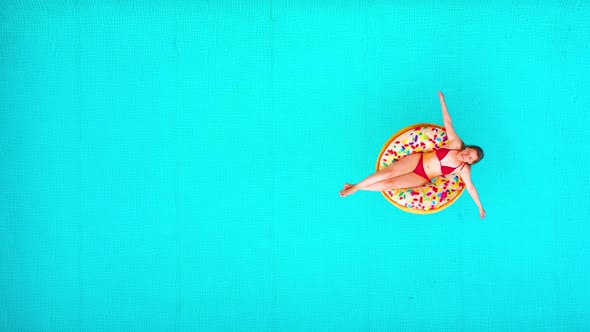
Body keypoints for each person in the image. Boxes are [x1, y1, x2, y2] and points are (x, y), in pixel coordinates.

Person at [339, 92, 486, 219]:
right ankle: (354, 188)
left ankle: (356, 187)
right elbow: (448, 122)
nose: (466, 155)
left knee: (389, 184)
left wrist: (479, 207)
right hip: (417, 160)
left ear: (470, 163)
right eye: (469, 152)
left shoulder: (463, 169)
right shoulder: (455, 143)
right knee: (388, 173)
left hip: (422, 177)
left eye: (470, 158)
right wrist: (442, 101)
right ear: (467, 147)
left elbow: (471, 187)